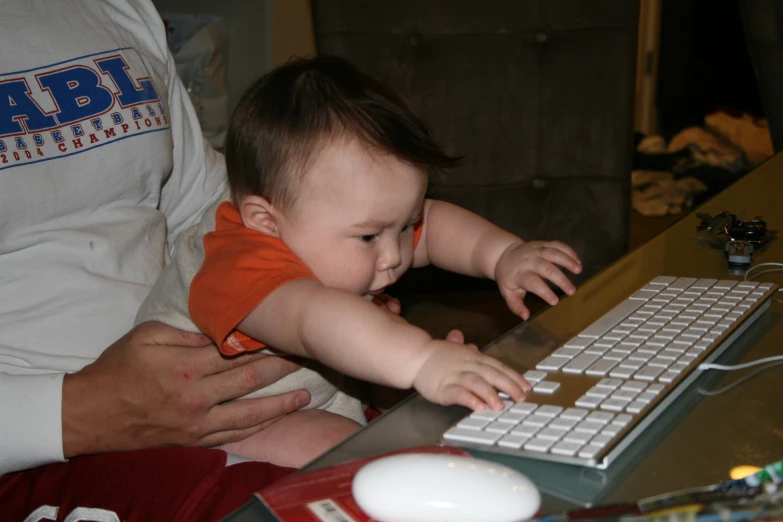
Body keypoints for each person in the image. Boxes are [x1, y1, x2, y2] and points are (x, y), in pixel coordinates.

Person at [135, 55, 583, 468]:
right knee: (357, 450)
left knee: (418, 409)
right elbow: (316, 319)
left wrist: (501, 254)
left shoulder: (326, 227)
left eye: (405, 226)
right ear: (265, 221)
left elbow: (438, 223)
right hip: (230, 423)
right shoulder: (234, 262)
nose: (395, 256)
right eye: (369, 236)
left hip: (314, 388)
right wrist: (423, 360)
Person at [0, 2, 355, 520]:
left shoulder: (116, 8)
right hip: (38, 453)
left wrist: (337, 278)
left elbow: (203, 208)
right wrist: (81, 412)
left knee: (418, 456)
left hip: (199, 387)